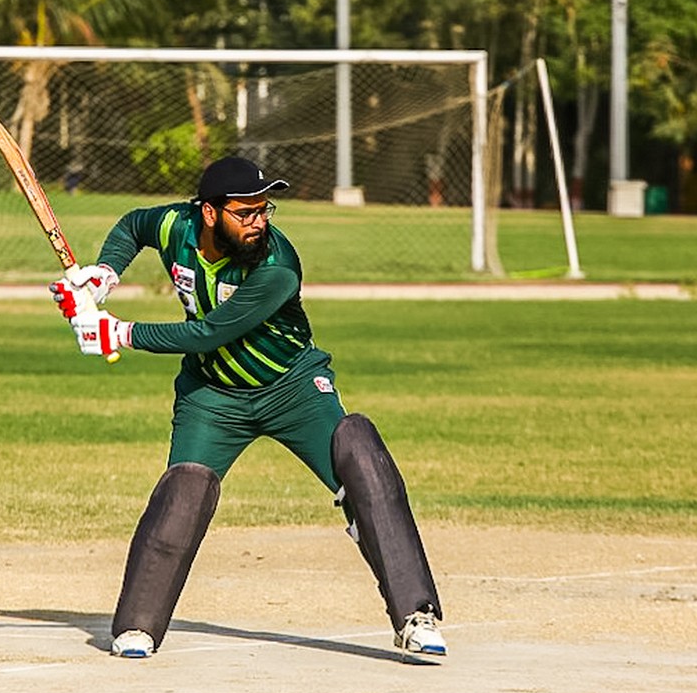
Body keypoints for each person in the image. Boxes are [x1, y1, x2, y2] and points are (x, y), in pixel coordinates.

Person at [49, 156, 445, 660]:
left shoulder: (277, 265)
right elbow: (133, 225)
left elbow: (209, 332)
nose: (259, 222)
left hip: (292, 388)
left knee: (361, 457)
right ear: (209, 213)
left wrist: (118, 332)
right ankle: (136, 628)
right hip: (211, 396)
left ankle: (416, 616)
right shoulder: (176, 225)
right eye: (246, 212)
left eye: (264, 210)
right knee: (184, 488)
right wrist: (106, 273)